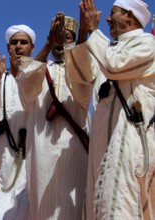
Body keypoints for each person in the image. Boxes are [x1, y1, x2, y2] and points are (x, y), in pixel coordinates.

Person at [64, 0, 155, 218]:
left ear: (129, 17)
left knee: (120, 209)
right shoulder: (105, 48)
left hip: (130, 146)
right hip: (101, 151)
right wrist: (84, 34)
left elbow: (115, 65)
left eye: (113, 12)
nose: (106, 18)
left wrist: (94, 31)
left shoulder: (147, 44)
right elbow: (81, 77)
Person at [17, 14, 89, 220]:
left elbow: (85, 89)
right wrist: (48, 44)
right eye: (57, 36)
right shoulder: (41, 67)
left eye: (66, 37)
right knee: (43, 206)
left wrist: (83, 35)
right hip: (41, 147)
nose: (61, 42)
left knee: (77, 205)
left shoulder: (82, 67)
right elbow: (26, 88)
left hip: (74, 146)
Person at [0, 24, 35, 220]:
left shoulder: (40, 76)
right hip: (1, 156)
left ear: (32, 48)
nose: (19, 46)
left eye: (23, 42)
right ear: (7, 47)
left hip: (30, 155)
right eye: (14, 42)